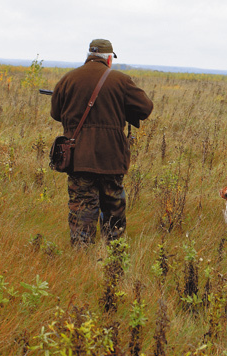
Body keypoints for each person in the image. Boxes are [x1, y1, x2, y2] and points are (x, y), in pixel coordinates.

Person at [50, 39, 153, 246]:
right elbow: (145, 108)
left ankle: (81, 256)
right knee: (113, 206)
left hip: (78, 157)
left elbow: (56, 114)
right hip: (112, 157)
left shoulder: (67, 79)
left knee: (82, 207)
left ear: (88, 55)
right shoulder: (121, 80)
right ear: (109, 58)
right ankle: (113, 254)